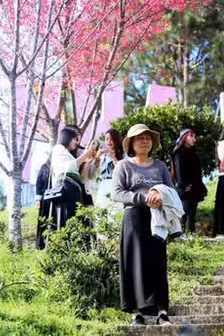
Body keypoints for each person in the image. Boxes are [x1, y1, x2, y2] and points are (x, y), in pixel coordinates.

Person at [113, 123, 174, 326]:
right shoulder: (123, 166)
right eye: (140, 138)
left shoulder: (160, 166)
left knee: (158, 263)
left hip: (157, 218)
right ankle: (136, 313)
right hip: (134, 218)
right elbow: (117, 193)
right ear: (131, 143)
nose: (144, 141)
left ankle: (162, 312)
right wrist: (142, 198)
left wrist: (160, 196)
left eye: (147, 138)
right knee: (134, 263)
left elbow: (172, 191)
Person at [35, 127, 96, 249]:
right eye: (75, 139)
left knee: (75, 219)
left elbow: (81, 178)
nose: (77, 143)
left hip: (74, 190)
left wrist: (89, 162)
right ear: (67, 138)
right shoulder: (59, 149)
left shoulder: (68, 154)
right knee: (68, 218)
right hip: (66, 189)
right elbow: (68, 168)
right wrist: (85, 154)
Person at [171, 128, 206, 235]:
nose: (194, 139)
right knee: (184, 212)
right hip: (185, 188)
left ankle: (191, 234)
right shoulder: (179, 153)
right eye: (191, 136)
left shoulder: (193, 153)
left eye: (194, 137)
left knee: (192, 214)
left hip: (195, 187)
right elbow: (179, 171)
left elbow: (197, 172)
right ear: (184, 137)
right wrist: (185, 185)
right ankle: (179, 235)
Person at [86, 129, 125, 210]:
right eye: (106, 139)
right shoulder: (103, 156)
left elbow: (123, 172)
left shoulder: (123, 154)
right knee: (102, 210)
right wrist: (96, 160)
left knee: (116, 210)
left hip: (116, 185)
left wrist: (113, 157)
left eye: (111, 139)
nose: (109, 142)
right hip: (103, 186)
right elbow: (93, 175)